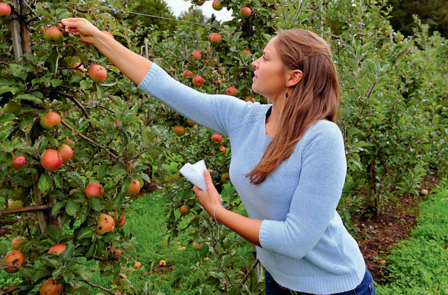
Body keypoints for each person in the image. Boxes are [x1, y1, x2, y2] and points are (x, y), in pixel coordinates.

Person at [61, 18, 377, 295]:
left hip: (335, 286)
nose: (255, 62)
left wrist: (217, 211)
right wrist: (99, 37)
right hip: (278, 280)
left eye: (265, 58)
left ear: (292, 77)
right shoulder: (242, 117)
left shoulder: (321, 138)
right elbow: (165, 87)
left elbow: (296, 241)